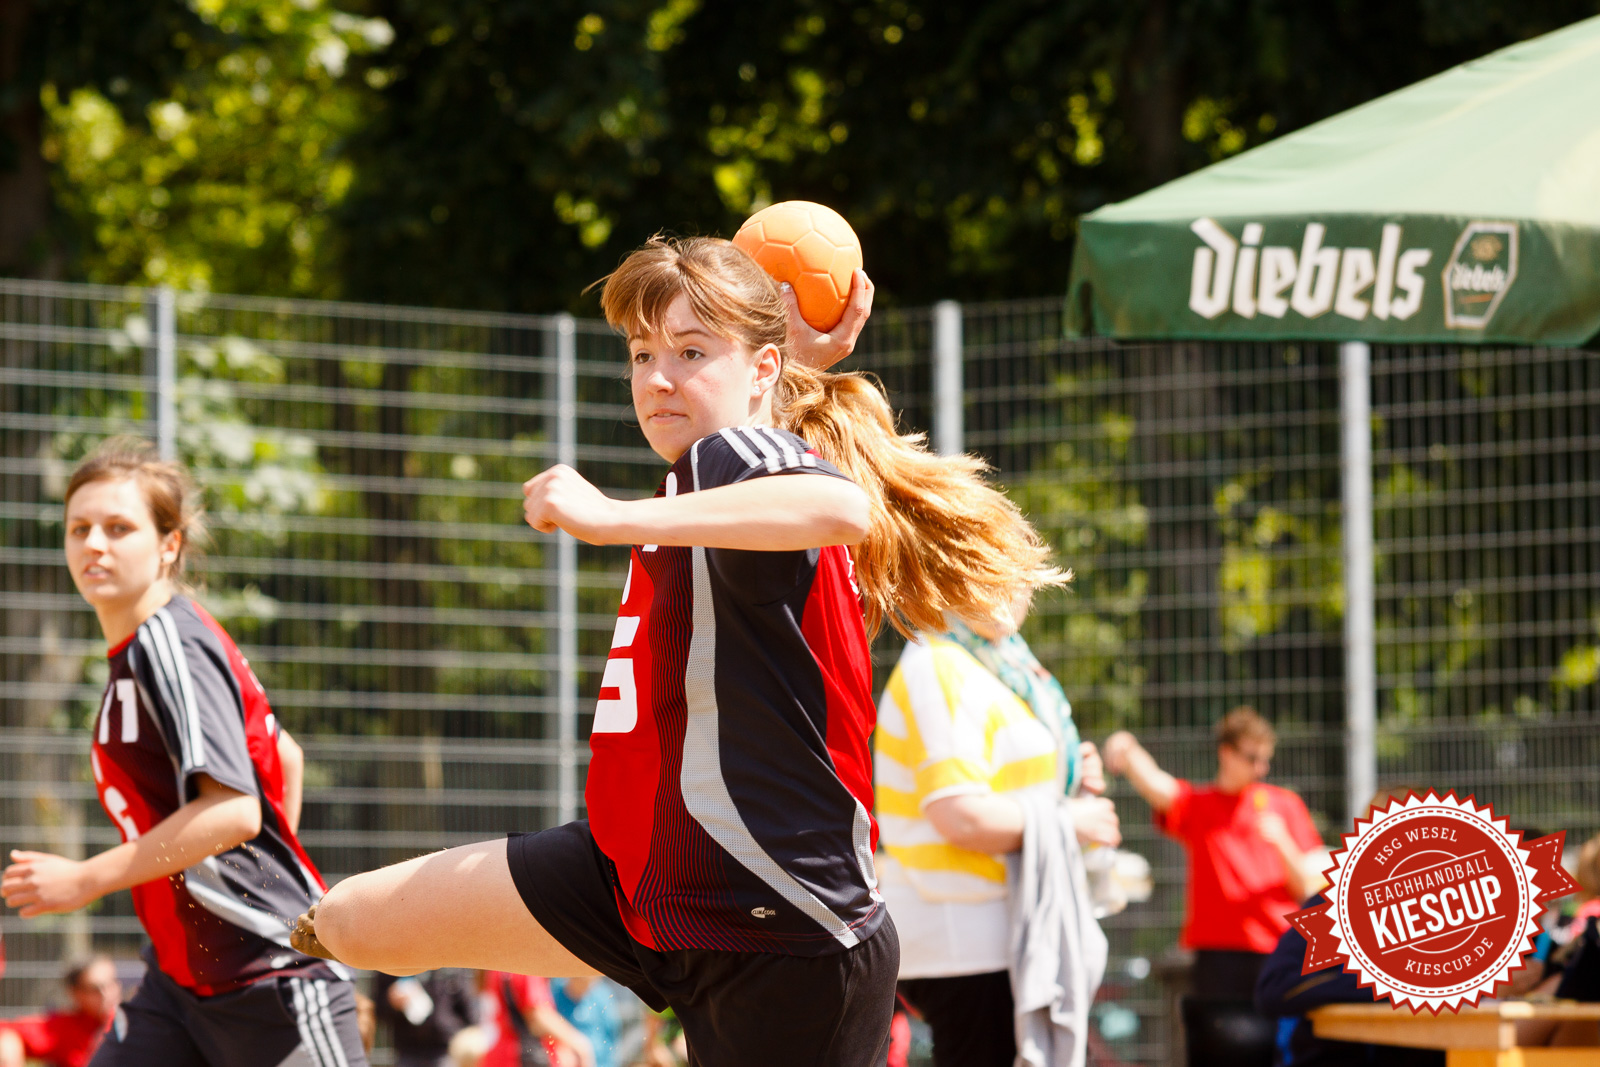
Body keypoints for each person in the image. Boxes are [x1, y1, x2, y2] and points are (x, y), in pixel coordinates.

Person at [288, 234, 1062, 1067]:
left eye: (691, 352)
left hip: (776, 924)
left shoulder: (738, 458)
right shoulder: (716, 471)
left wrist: (611, 516)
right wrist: (769, 356)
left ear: (762, 371)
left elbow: (836, 507)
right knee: (348, 920)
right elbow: (781, 453)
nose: (657, 376)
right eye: (642, 351)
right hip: (638, 879)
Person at [1, 441, 367, 1066]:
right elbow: (288, 755)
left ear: (169, 545)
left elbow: (235, 814)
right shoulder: (141, 650)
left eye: (119, 528)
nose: (94, 544)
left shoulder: (169, 643)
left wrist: (84, 879)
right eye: (79, 528)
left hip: (268, 981)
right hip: (180, 985)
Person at [875, 605, 1119, 1067]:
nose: (1014, 591)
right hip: (965, 937)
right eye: (997, 571)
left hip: (1002, 931)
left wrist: (1068, 778)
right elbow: (960, 816)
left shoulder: (996, 662)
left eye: (1022, 576)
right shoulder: (941, 664)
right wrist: (1068, 822)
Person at [1105, 709, 1320, 997]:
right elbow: (1157, 785)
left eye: (1265, 759)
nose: (1261, 768)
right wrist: (1127, 746)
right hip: (1216, 953)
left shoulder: (1285, 805)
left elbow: (1307, 886)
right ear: (1226, 754)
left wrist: (1283, 842)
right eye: (1252, 758)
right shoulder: (1200, 805)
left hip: (1277, 947)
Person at [0, 955, 121, 1067]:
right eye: (95, 989)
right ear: (75, 993)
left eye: (111, 983)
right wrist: (8, 1044)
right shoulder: (66, 1028)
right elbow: (8, 1029)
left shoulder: (132, 1021)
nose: (105, 994)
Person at [476, 971, 593, 1067]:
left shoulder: (500, 965)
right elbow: (536, 1015)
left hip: (500, 1053)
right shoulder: (524, 965)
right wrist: (578, 1043)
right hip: (518, 1056)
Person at [373, 969, 480, 1067]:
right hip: (408, 1049)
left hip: (445, 1048)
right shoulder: (393, 964)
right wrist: (391, 1001)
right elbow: (377, 1008)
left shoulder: (450, 963)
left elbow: (468, 1007)